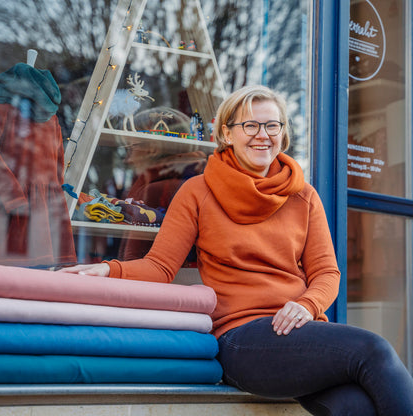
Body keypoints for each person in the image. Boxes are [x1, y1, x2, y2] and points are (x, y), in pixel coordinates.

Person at [61, 85, 413, 415]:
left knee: (355, 406)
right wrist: (109, 269)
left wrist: (307, 303)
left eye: (272, 125)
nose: (263, 134)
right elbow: (159, 267)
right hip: (242, 338)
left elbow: (326, 273)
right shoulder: (197, 191)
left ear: (283, 132)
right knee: (373, 350)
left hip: (302, 334)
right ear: (227, 134)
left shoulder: (304, 195)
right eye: (251, 125)